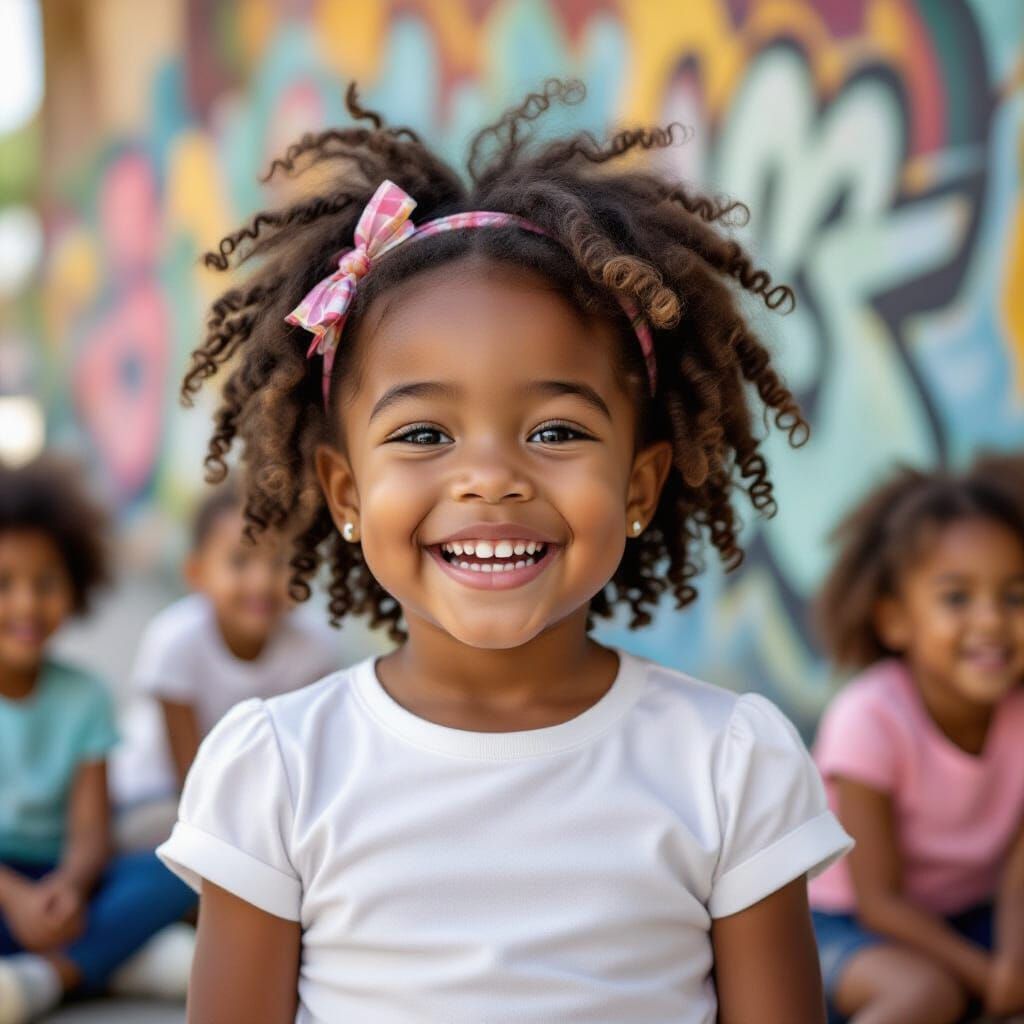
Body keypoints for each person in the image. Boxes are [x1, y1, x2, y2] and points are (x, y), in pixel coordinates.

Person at [157, 81, 853, 1024]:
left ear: (640, 487)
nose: (490, 478)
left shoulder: (730, 763)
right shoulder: (276, 768)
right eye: (424, 436)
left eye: (558, 433)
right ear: (347, 492)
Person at [809, 462, 1024, 1024]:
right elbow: (879, 901)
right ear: (895, 619)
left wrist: (1012, 965)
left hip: (970, 915)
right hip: (842, 921)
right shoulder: (870, 718)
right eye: (957, 599)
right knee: (926, 996)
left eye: (1015, 597)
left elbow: (1020, 870)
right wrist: (984, 976)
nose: (991, 622)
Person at [0, 458, 196, 1023]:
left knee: (180, 866)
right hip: (5, 889)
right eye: (5, 583)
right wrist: (15, 898)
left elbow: (91, 829)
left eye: (45, 583)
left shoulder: (84, 697)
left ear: (76, 584)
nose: (26, 605)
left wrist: (69, 885)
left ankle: (47, 977)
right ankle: (111, 960)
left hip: (65, 884)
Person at [110, 481, 340, 850]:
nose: (262, 581)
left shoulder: (314, 649)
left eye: (280, 562)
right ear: (197, 573)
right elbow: (188, 778)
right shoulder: (176, 642)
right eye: (240, 561)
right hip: (158, 795)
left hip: (260, 802)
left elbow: (305, 759)